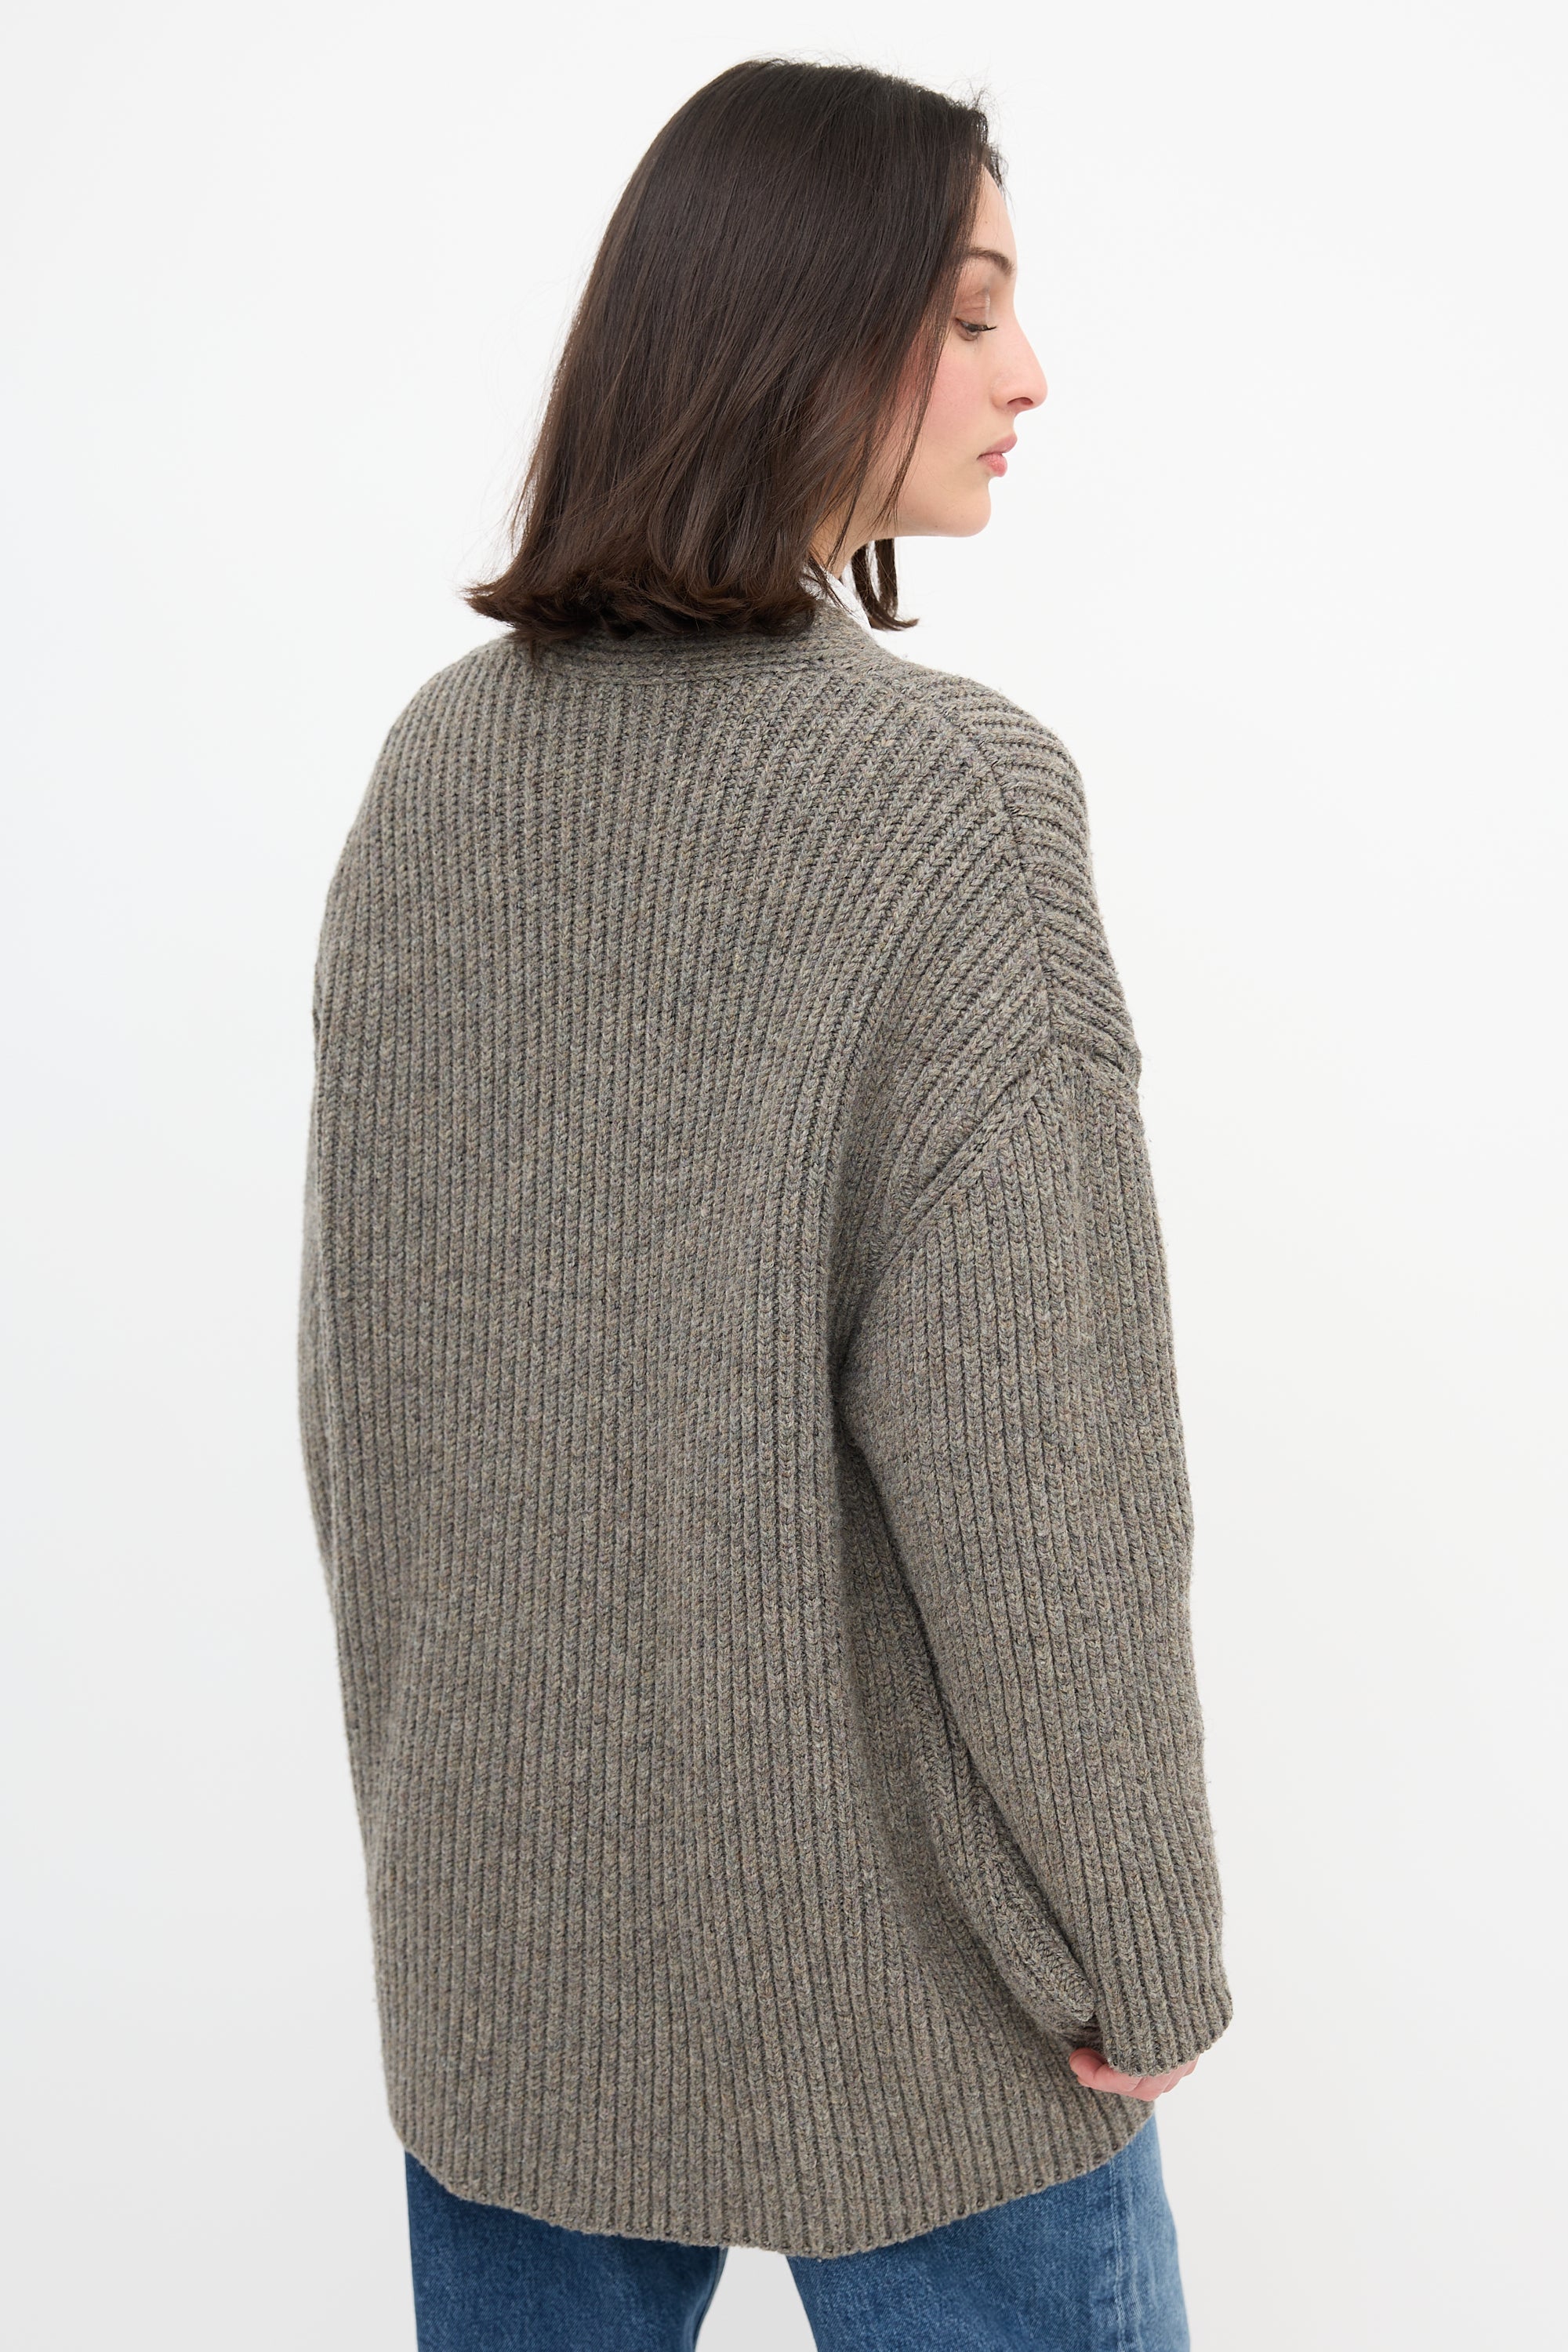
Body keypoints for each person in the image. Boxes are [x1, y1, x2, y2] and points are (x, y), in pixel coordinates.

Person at [298, 54, 1232, 2351]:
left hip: (506, 1961)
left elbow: (364, 1405)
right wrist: (1144, 1940)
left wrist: (447, 1858)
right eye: (973, 311)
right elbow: (1042, 1475)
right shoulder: (950, 804)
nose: (1031, 372)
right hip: (918, 1998)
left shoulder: (436, 772)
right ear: (806, 332)